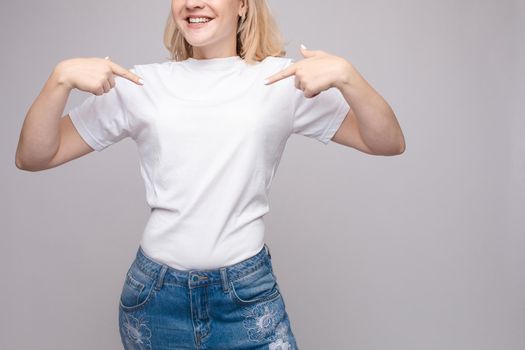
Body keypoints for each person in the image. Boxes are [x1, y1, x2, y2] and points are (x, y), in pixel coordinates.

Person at [15, 0, 405, 349]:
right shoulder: (140, 84)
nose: (192, 3)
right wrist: (59, 80)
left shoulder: (282, 81)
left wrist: (348, 76)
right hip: (154, 299)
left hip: (246, 297)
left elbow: (386, 141)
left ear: (243, 5)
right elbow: (34, 156)